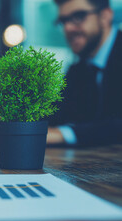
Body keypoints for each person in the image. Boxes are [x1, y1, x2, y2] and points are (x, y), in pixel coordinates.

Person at [47, 0, 122, 146]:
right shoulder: (78, 69)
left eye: (78, 16)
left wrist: (63, 134)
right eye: (63, 21)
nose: (68, 28)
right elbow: (59, 113)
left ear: (106, 16)